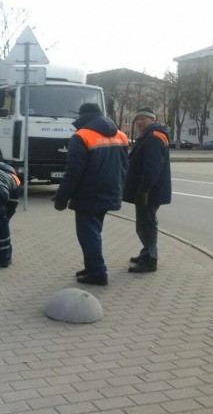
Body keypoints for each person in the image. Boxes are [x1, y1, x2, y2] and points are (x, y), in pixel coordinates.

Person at [53, 103, 129, 286]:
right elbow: (125, 166)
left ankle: (97, 273)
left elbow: (73, 171)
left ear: (83, 117)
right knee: (95, 232)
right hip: (111, 190)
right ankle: (91, 266)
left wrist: (62, 197)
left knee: (88, 235)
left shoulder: (81, 136)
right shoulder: (121, 135)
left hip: (89, 194)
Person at [123, 106, 172, 273]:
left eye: (142, 118)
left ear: (152, 119)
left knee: (146, 224)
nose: (138, 122)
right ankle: (147, 252)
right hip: (147, 189)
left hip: (149, 191)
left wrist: (144, 190)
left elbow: (152, 167)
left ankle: (150, 259)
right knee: (144, 223)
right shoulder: (149, 135)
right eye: (137, 119)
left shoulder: (154, 136)